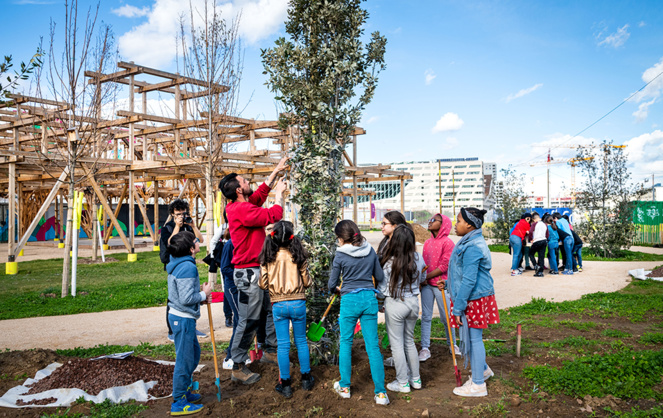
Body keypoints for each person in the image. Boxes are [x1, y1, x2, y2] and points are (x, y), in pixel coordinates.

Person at [219, 157, 289, 385]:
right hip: (248, 274)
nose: (249, 181)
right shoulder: (239, 209)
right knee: (248, 320)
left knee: (268, 310)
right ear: (239, 190)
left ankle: (270, 349)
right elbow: (271, 216)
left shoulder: (241, 204)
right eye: (245, 180)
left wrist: (275, 173)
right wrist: (279, 196)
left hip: (258, 270)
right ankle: (238, 364)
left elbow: (258, 196)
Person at [329, 220, 389, 406]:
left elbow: (332, 284)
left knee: (346, 342)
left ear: (341, 238)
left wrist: (338, 290)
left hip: (349, 301)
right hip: (369, 299)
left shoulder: (340, 254)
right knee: (373, 347)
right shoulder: (370, 250)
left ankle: (345, 387)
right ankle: (380, 394)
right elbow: (379, 277)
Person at [448, 208, 500, 398]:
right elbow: (460, 273)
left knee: (474, 339)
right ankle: (483, 370)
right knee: (472, 338)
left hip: (473, 298)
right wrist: (447, 284)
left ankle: (478, 385)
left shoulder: (472, 246)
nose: (456, 224)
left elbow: (469, 280)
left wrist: (459, 307)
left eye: (459, 221)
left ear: (469, 225)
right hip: (472, 296)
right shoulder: (469, 241)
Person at [259, 220, 314, 398]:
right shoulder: (299, 255)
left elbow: (262, 284)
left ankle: (286, 384)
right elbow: (307, 282)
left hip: (279, 305)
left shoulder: (268, 257)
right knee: (301, 341)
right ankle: (306, 379)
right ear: (292, 237)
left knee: (282, 345)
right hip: (298, 303)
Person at [166, 231, 212, 415]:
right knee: (184, 361)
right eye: (195, 241)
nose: (198, 241)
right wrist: (204, 294)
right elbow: (185, 298)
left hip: (183, 317)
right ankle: (178, 402)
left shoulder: (180, 263)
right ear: (191, 248)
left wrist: (199, 299)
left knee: (193, 355)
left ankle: (185, 391)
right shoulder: (187, 267)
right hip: (182, 319)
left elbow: (181, 294)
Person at [379, 225, 427, 394]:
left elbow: (383, 289)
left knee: (397, 345)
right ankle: (416, 379)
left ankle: (402, 383)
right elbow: (423, 277)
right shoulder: (418, 258)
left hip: (395, 303)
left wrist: (380, 302)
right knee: (409, 341)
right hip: (413, 303)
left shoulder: (389, 262)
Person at [160, 199, 205, 342]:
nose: (181, 216)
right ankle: (172, 331)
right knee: (174, 297)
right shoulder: (168, 227)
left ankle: (191, 325)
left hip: (188, 262)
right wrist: (177, 226)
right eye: (178, 214)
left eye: (183, 213)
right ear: (173, 214)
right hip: (175, 264)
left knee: (191, 291)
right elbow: (170, 243)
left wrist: (193, 226)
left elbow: (201, 240)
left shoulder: (188, 225)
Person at [419, 213, 458, 362]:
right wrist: (423, 278)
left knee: (446, 316)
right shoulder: (427, 242)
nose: (430, 222)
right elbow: (424, 264)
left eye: (434, 220)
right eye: (430, 219)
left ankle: (452, 344)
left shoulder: (448, 243)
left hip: (441, 285)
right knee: (426, 316)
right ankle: (425, 347)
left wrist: (424, 277)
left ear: (443, 225)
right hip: (427, 286)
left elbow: (444, 266)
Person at [220, 228, 239, 370]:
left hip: (243, 286)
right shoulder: (230, 244)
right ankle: (230, 357)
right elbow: (225, 268)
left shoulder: (244, 242)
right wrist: (241, 274)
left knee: (242, 320)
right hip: (233, 286)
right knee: (240, 319)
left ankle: (236, 354)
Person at [528, 213, 549, 277]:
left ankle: (535, 265)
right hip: (544, 241)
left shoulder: (534, 224)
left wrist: (531, 239)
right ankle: (540, 272)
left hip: (537, 241)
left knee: (531, 254)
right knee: (541, 256)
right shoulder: (545, 224)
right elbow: (547, 234)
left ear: (534, 219)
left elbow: (531, 232)